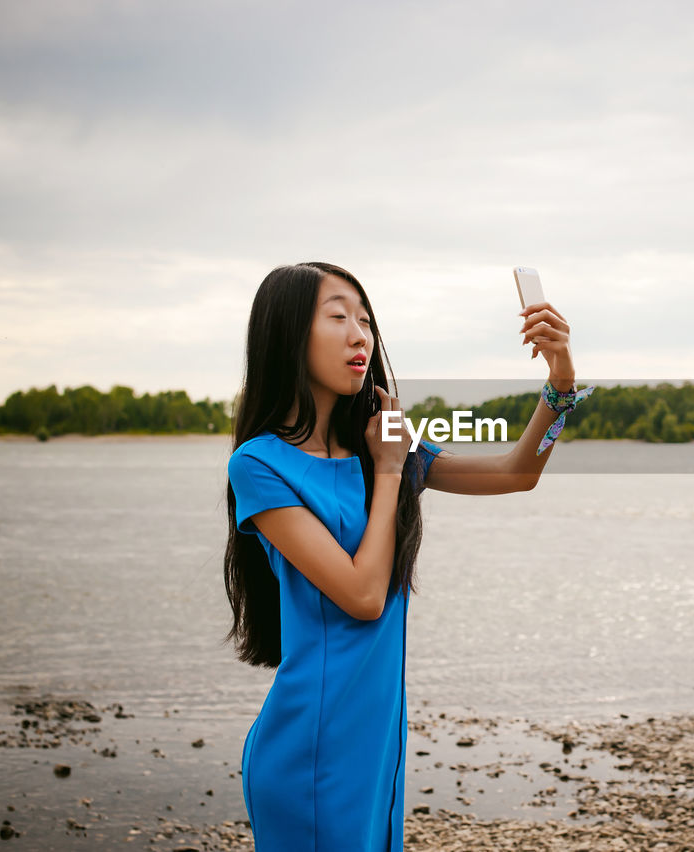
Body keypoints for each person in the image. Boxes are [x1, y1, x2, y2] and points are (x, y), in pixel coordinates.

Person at [222, 262, 591, 850]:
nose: (359, 335)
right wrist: (391, 470)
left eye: (365, 320)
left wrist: (561, 384)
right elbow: (364, 597)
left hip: (377, 750)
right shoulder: (261, 465)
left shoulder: (383, 440)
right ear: (289, 335)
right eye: (338, 317)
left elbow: (519, 472)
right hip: (312, 751)